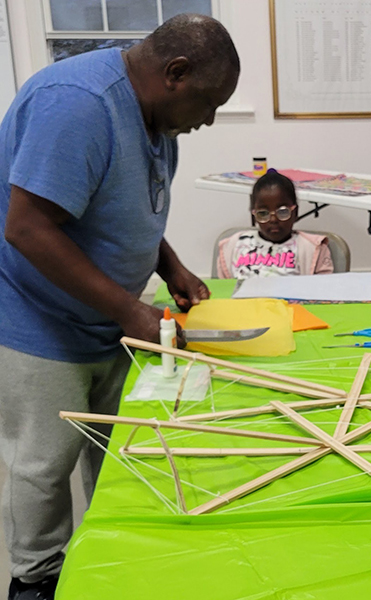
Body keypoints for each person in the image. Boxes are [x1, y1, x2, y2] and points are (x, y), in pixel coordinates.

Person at [0, 14, 239, 599]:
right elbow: (28, 228)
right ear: (175, 74)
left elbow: (123, 205)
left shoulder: (155, 116)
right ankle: (37, 577)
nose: (207, 121)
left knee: (115, 445)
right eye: (208, 105)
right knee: (45, 462)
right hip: (39, 318)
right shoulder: (77, 104)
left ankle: (109, 559)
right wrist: (130, 312)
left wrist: (171, 265)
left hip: (107, 313)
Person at [216, 169, 334, 278]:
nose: (273, 220)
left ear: (295, 213)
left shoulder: (312, 248)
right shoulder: (233, 246)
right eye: (263, 214)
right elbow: (223, 291)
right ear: (254, 215)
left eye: (282, 212)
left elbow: (323, 290)